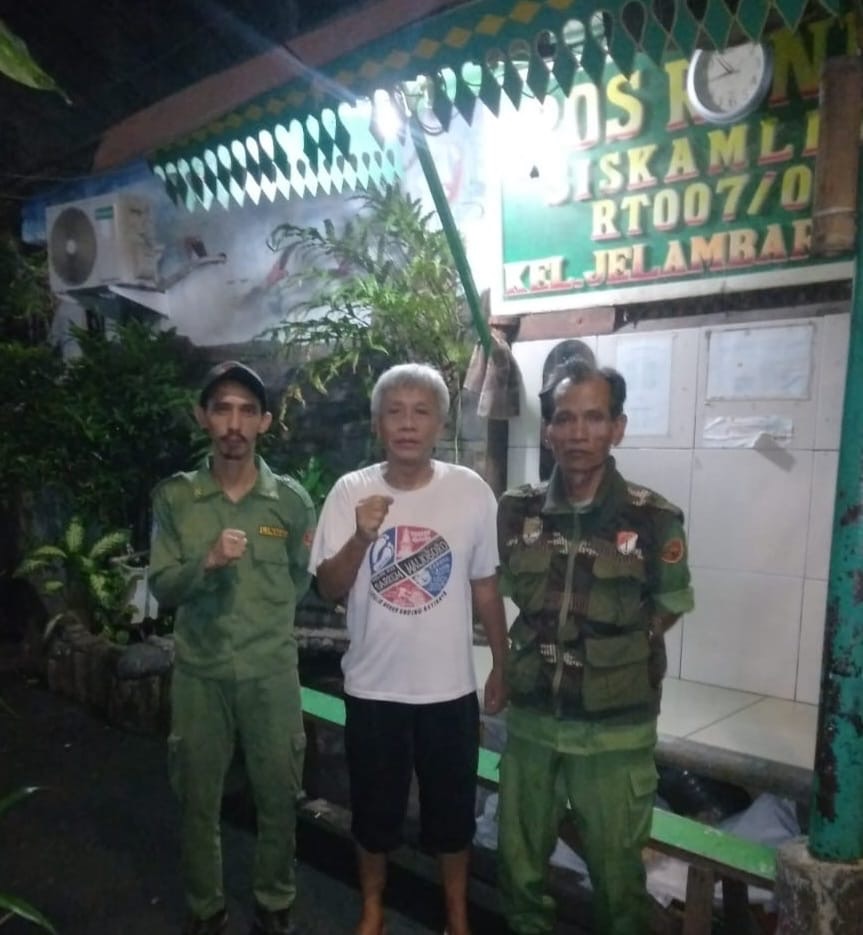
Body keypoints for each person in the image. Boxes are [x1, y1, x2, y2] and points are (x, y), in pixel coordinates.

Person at [309, 362, 509, 935]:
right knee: (374, 816)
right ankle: (372, 909)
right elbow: (329, 588)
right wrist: (362, 536)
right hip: (374, 689)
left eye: (421, 412)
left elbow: (486, 585)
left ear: (440, 424)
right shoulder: (350, 491)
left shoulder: (470, 492)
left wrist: (502, 661)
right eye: (394, 412)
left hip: (448, 691)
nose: (407, 423)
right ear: (377, 424)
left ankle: (457, 917)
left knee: (452, 817)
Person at [496, 358, 694, 935]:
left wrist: (612, 655)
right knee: (519, 873)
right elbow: (506, 592)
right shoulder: (518, 510)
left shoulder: (653, 519)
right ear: (548, 431)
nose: (578, 432)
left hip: (614, 732)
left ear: (617, 428)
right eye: (564, 418)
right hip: (533, 722)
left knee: (617, 883)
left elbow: (667, 606)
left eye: (594, 418)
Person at [149, 361, 316, 935]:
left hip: (271, 674)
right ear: (203, 417)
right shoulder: (176, 499)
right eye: (222, 408)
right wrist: (209, 562)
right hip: (202, 672)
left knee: (280, 797)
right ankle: (206, 908)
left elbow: (299, 579)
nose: (234, 424)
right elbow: (162, 586)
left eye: (247, 411)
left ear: (265, 422)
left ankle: (274, 899)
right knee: (198, 799)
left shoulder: (290, 502)